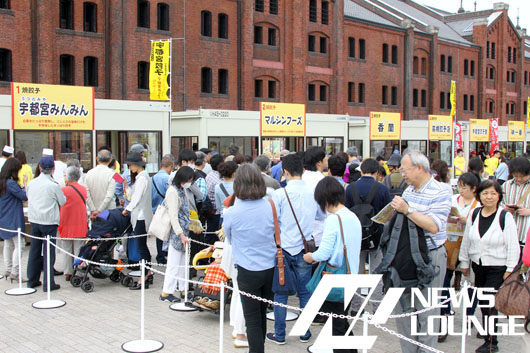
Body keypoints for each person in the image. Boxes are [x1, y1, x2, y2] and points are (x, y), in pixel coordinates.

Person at [389, 150, 452, 353]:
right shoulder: (408, 190)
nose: (402, 174)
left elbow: (434, 226)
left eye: (404, 170)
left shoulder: (441, 190)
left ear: (418, 168)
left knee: (427, 312)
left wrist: (407, 210)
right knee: (404, 312)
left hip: (430, 256)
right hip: (406, 257)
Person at [459, 180, 520, 353]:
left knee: (490, 303)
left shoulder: (504, 216)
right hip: (478, 266)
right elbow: (467, 239)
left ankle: (492, 342)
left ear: (499, 196)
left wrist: (510, 268)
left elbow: (512, 245)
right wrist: (464, 261)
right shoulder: (475, 214)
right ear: (479, 196)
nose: (489, 197)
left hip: (497, 267)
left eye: (493, 193)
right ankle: (488, 335)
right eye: (485, 193)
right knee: (484, 304)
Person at [303, 177, 362, 353]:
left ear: (325, 199)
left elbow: (324, 253)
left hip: (335, 278)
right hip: (351, 275)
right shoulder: (352, 216)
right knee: (340, 320)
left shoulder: (333, 220)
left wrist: (309, 256)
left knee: (336, 324)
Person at [266, 153, 318, 345]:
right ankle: (304, 332)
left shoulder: (279, 194)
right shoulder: (314, 193)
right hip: (306, 250)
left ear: (285, 172)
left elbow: (273, 222)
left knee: (281, 293)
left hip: (284, 249)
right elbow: (320, 216)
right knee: (305, 291)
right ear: (303, 170)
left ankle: (280, 335)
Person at [224, 164, 277, 353]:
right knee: (261, 313)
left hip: (247, 270)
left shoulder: (231, 213)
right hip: (270, 267)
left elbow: (229, 239)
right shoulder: (271, 206)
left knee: (252, 318)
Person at [438, 172, 480, 342]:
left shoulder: (478, 205)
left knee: (470, 281)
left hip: (468, 245)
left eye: (465, 187)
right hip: (449, 243)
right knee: (444, 280)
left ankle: (470, 313)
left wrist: (467, 221)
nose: (461, 190)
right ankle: (445, 312)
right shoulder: (453, 199)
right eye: (459, 186)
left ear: (474, 189)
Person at [345, 158, 391, 314]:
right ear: (377, 172)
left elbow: (345, 212)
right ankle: (377, 308)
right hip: (377, 236)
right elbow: (388, 214)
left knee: (356, 271)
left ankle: (356, 307)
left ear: (361, 171)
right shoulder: (383, 189)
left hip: (356, 236)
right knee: (376, 272)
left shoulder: (350, 188)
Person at [26, 156, 66, 290]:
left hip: (34, 220)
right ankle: (49, 283)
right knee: (49, 252)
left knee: (34, 251)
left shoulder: (32, 183)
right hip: (49, 221)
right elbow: (62, 201)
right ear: (53, 169)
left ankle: (32, 280)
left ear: (39, 167)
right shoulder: (53, 185)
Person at [160, 166, 195, 303]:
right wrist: (180, 234)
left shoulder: (181, 189)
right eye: (189, 179)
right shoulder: (173, 191)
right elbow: (173, 216)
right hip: (177, 233)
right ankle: (166, 292)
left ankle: (183, 289)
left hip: (184, 231)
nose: (190, 182)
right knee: (174, 263)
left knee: (183, 263)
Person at [122, 151, 153, 290]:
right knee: (142, 246)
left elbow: (136, 199)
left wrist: (127, 209)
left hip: (140, 216)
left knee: (142, 247)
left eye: (130, 165)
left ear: (136, 164)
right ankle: (147, 273)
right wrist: (127, 188)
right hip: (141, 215)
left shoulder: (142, 178)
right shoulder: (143, 177)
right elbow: (134, 196)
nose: (130, 168)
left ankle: (144, 276)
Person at [58, 166, 88, 281]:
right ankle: (79, 271)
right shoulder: (83, 189)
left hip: (66, 222)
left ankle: (68, 272)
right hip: (79, 222)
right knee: (79, 249)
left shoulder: (63, 190)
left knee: (66, 249)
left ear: (69, 177)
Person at [0, 158, 27, 282]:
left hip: (3, 217)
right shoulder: (10, 183)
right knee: (19, 244)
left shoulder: (2, 182)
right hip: (13, 217)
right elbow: (24, 196)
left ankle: (8, 269)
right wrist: (25, 185)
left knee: (8, 244)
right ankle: (15, 272)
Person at [151, 154, 174, 264]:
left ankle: (160, 256)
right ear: (169, 166)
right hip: (166, 210)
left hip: (155, 210)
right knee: (166, 233)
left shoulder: (152, 178)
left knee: (159, 233)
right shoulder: (168, 179)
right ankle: (166, 254)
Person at [303, 147, 328, 246]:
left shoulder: (301, 179)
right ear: (319, 162)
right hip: (319, 234)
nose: (327, 159)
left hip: (302, 233)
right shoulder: (322, 181)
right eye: (325, 157)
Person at [502, 157, 530, 244]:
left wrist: (528, 211)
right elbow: (498, 204)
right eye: (516, 176)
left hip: (526, 235)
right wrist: (504, 209)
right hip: (507, 234)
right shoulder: (506, 185)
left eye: (522, 176)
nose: (519, 179)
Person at [85, 149, 116, 219]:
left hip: (93, 212)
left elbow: (86, 194)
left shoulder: (89, 173)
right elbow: (109, 195)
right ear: (110, 159)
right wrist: (99, 210)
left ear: (97, 159)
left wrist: (93, 209)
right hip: (108, 211)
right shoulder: (112, 174)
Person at [205, 154, 224, 233]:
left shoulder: (209, 176)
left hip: (210, 210)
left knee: (210, 233)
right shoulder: (219, 179)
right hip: (217, 211)